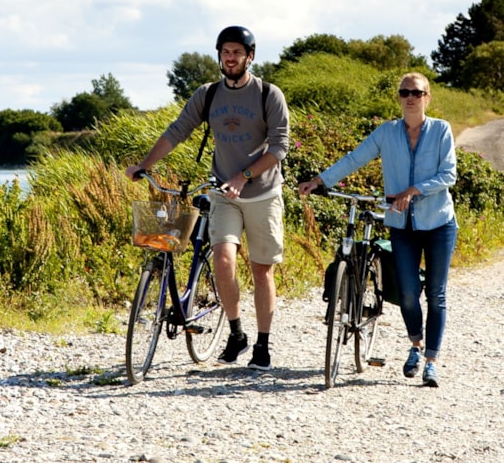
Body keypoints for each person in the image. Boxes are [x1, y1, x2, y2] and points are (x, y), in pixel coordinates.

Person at [126, 25, 290, 371]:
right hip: (223, 194)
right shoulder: (209, 94)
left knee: (262, 271)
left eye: (237, 52)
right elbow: (177, 131)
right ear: (219, 55)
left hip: (262, 193)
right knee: (223, 259)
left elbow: (279, 147)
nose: (230, 58)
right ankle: (236, 332)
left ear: (250, 56)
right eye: (225, 52)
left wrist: (243, 176)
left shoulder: (268, 94)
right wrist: (144, 164)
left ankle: (262, 344)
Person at [298, 72, 456, 387]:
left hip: (438, 223)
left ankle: (431, 363)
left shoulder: (441, 130)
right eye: (405, 92)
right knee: (409, 294)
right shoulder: (387, 132)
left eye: (417, 92)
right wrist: (320, 181)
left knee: (436, 295)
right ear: (399, 97)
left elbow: (448, 174)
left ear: (428, 97)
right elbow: (355, 158)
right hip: (401, 224)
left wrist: (413, 190)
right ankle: (416, 345)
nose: (410, 97)